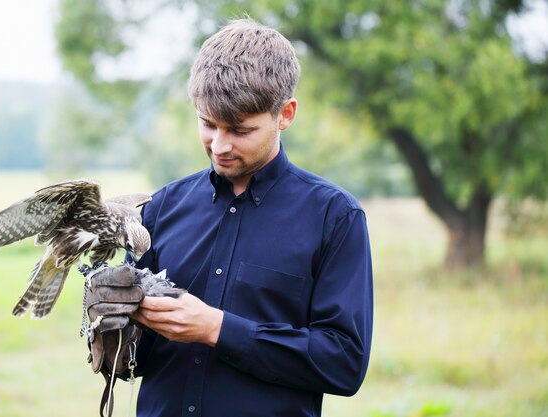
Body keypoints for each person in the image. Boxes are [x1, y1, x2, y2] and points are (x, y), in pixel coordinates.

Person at [127, 18, 373, 417]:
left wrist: (217, 329)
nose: (219, 145)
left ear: (285, 114)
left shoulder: (335, 217)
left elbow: (344, 363)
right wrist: (112, 324)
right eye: (208, 124)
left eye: (240, 129)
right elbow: (131, 362)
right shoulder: (160, 209)